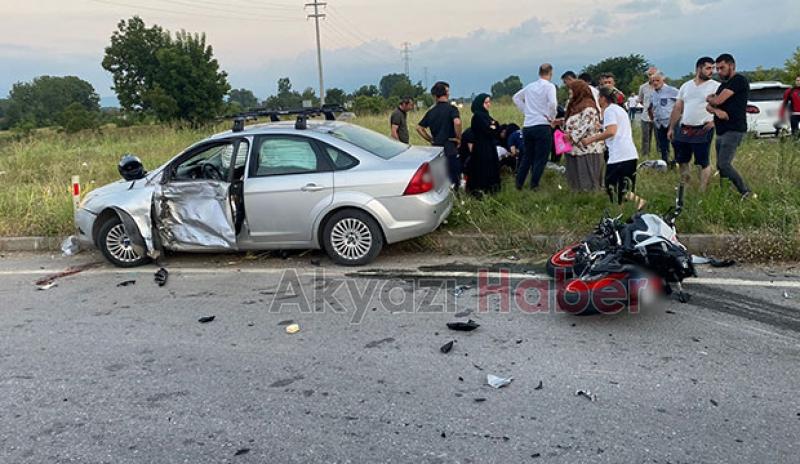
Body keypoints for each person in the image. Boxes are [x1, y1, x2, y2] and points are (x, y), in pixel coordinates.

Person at [581, 87, 646, 209]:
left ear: (603, 98)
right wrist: (601, 127)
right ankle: (636, 205)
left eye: (598, 98)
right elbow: (617, 128)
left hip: (619, 155)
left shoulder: (609, 111)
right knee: (624, 188)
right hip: (629, 154)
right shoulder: (619, 109)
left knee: (612, 187)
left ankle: (628, 207)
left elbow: (611, 132)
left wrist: (591, 139)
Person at [667, 57, 720, 191]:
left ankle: (702, 189)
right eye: (708, 68)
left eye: (713, 68)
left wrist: (715, 121)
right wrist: (672, 128)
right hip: (685, 127)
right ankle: (685, 185)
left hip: (704, 127)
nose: (711, 71)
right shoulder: (686, 86)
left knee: (703, 161)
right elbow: (678, 107)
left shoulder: (716, 86)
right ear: (698, 69)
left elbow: (725, 106)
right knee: (682, 160)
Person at [706, 54, 753, 199]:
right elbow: (709, 105)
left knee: (724, 164)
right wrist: (716, 111)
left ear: (731, 66)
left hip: (734, 129)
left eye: (722, 68)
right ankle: (724, 194)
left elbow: (717, 100)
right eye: (717, 68)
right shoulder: (723, 85)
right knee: (720, 166)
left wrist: (714, 101)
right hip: (721, 130)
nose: (719, 71)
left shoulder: (738, 80)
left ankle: (745, 191)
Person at [513, 63, 558, 190]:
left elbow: (516, 98)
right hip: (542, 124)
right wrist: (551, 117)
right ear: (550, 73)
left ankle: (519, 183)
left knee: (528, 156)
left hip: (528, 125)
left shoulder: (530, 87)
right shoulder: (550, 87)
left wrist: (526, 110)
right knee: (541, 157)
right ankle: (534, 184)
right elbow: (553, 103)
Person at [417, 82, 462, 188]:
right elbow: (457, 122)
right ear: (446, 94)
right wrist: (458, 137)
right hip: (450, 146)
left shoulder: (431, 112)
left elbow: (419, 128)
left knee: (440, 179)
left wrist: (430, 139)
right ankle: (456, 196)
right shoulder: (452, 109)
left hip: (436, 148)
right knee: (453, 177)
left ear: (435, 96)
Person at [563, 80, 604, 192]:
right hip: (574, 147)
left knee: (586, 172)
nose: (570, 92)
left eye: (572, 90)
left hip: (587, 147)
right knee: (575, 172)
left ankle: (589, 194)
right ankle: (577, 192)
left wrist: (571, 137)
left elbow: (586, 125)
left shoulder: (588, 106)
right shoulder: (574, 105)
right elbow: (574, 121)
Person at [465, 94, 502, 195]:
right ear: (480, 103)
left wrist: (493, 126)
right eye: (486, 102)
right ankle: (482, 189)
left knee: (491, 167)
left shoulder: (486, 115)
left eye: (489, 102)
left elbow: (497, 128)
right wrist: (493, 126)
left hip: (489, 145)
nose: (489, 105)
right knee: (483, 167)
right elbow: (488, 130)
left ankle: (491, 189)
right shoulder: (478, 116)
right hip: (481, 147)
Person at [649, 72, 679, 166]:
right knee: (663, 145)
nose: (655, 83)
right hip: (659, 123)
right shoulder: (653, 93)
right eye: (653, 81)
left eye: (657, 80)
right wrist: (652, 118)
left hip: (671, 122)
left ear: (663, 80)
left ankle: (677, 162)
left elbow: (681, 102)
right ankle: (665, 163)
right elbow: (651, 107)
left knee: (675, 143)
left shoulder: (672, 90)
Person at [638, 67, 659, 157]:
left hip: (658, 117)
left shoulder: (660, 87)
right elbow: (641, 100)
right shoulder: (643, 87)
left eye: (653, 74)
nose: (651, 76)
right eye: (650, 75)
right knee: (646, 138)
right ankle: (645, 155)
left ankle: (660, 154)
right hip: (645, 116)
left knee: (659, 137)